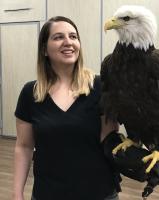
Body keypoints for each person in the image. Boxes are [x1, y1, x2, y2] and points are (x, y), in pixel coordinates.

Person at [13, 16, 120, 200]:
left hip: (98, 192)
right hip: (48, 193)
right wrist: (17, 193)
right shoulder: (31, 93)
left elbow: (109, 140)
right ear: (44, 49)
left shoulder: (101, 86)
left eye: (73, 36)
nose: (68, 42)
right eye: (58, 37)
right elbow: (24, 147)